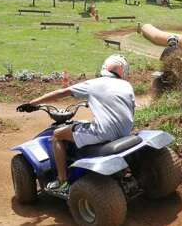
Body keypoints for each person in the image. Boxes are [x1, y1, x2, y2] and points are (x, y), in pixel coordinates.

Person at [17, 55, 135, 194]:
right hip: (125, 133)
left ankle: (62, 182)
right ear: (123, 71)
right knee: (85, 125)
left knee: (57, 135)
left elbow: (62, 92)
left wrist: (32, 103)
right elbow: (130, 108)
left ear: (105, 68)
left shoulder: (94, 83)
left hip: (103, 133)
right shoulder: (127, 86)